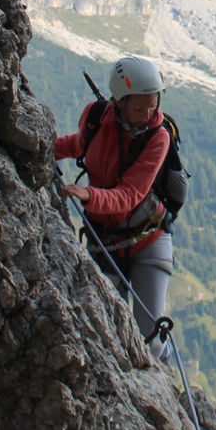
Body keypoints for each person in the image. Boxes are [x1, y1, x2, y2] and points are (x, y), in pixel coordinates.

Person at [56, 54, 177, 359]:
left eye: (153, 104)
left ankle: (165, 385)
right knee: (103, 328)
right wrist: (41, 146)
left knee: (148, 339)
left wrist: (88, 196)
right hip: (106, 239)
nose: (149, 113)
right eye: (139, 107)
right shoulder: (96, 117)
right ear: (119, 102)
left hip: (148, 238)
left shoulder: (157, 137)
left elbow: (130, 194)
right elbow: (80, 144)